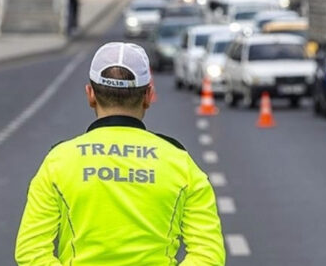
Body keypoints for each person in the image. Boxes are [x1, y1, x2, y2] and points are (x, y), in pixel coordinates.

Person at [15, 42, 225, 265]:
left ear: (91, 95)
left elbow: (31, 251)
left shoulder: (59, 161)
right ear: (148, 96)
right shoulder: (180, 162)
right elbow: (208, 254)